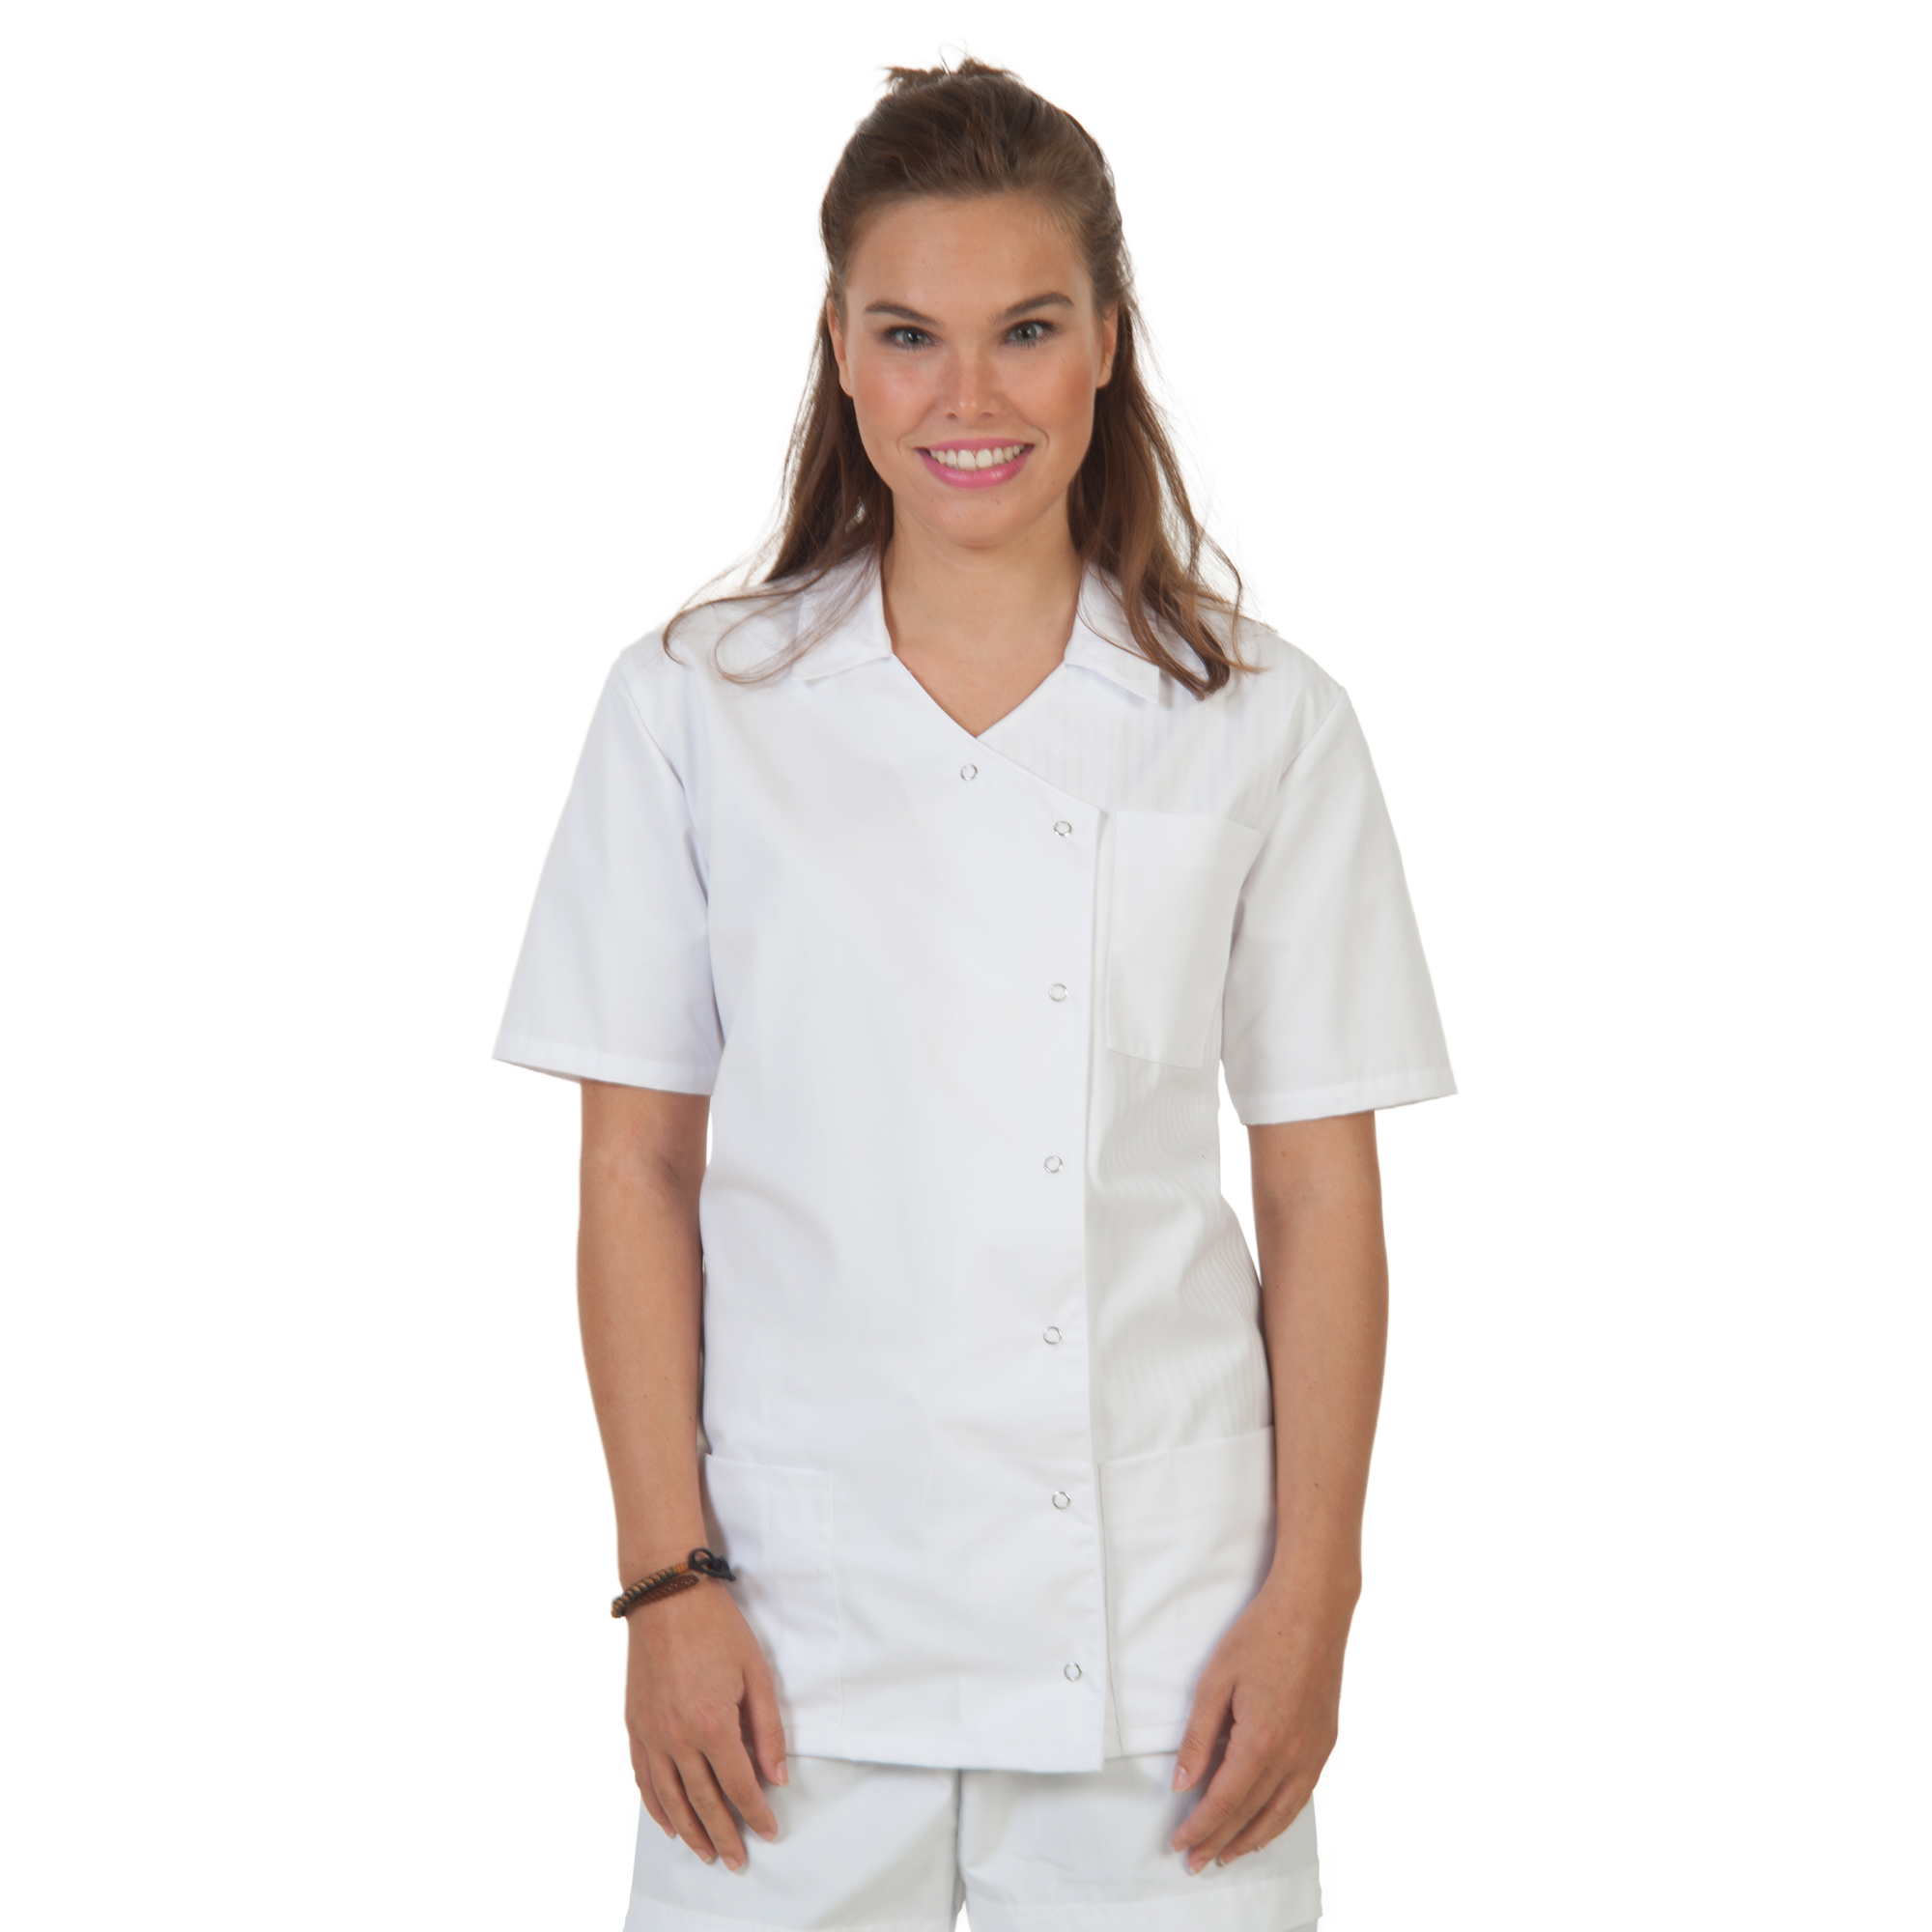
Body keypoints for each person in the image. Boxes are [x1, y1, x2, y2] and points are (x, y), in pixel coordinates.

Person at [494, 58, 1454, 1932]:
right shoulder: (695, 708)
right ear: (840, 354)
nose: (970, 398)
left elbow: (1318, 1191)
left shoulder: (1260, 723)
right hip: (788, 1641)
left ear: (1106, 342)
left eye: (1025, 329)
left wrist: (1314, 1597)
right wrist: (664, 1586)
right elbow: (636, 1173)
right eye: (908, 335)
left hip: (1169, 1658)